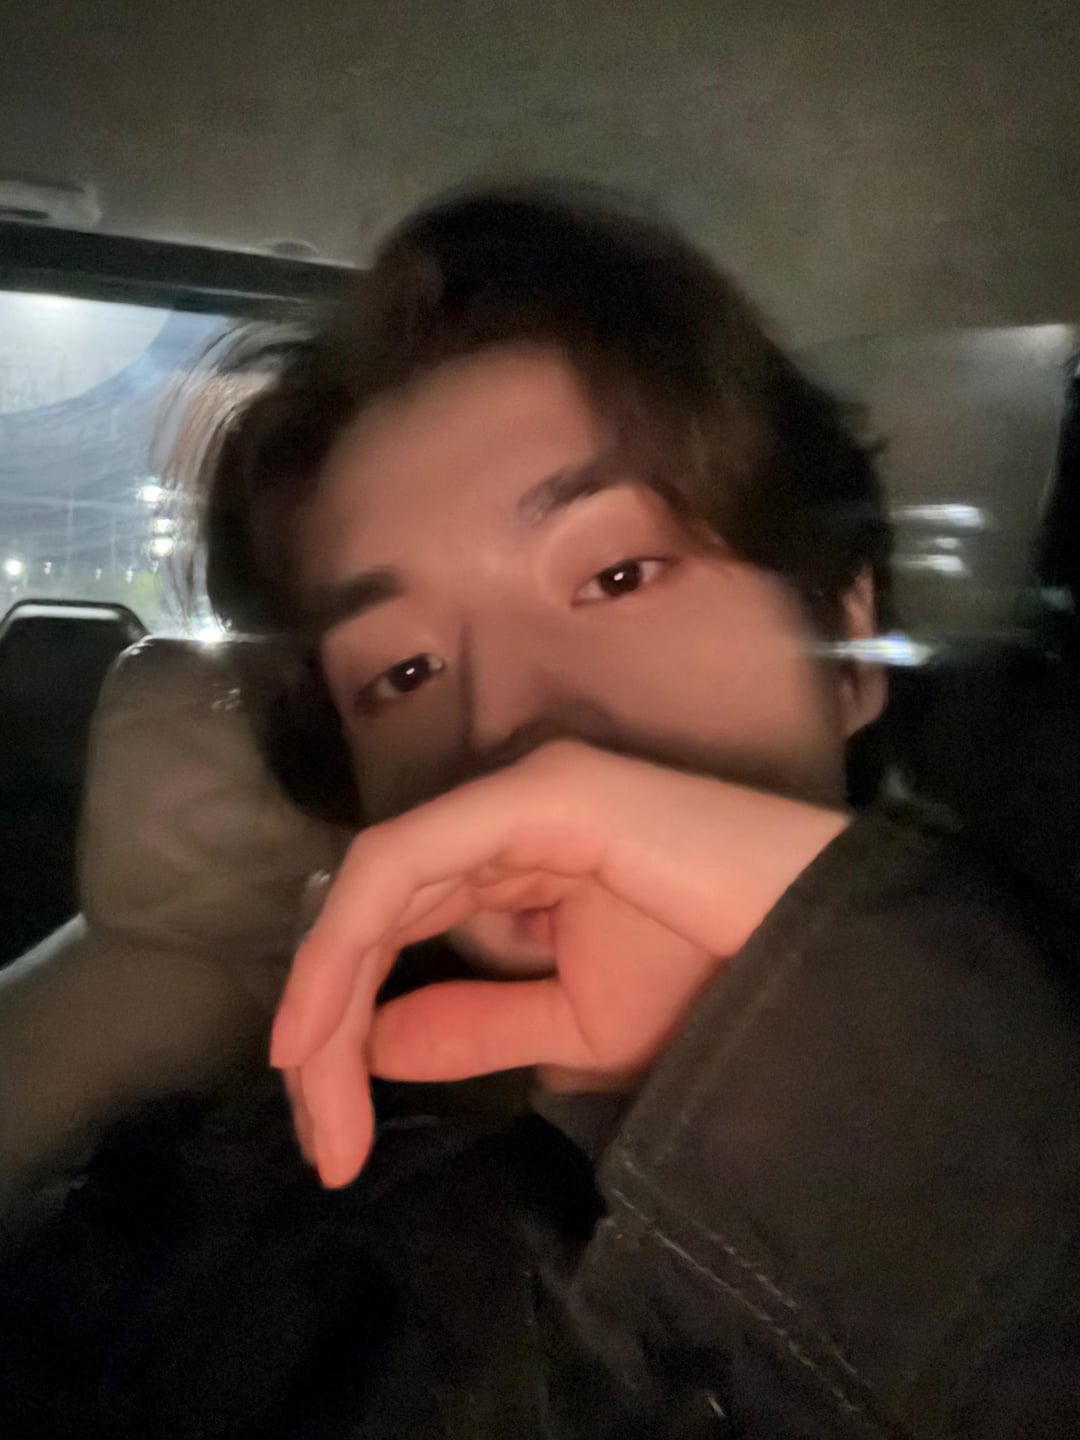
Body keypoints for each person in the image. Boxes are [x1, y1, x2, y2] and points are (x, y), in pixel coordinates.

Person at [5, 182, 1080, 1439]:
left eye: (619, 573)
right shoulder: (222, 1227)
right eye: (405, 671)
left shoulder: (1044, 1050)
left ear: (844, 651)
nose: (518, 731)